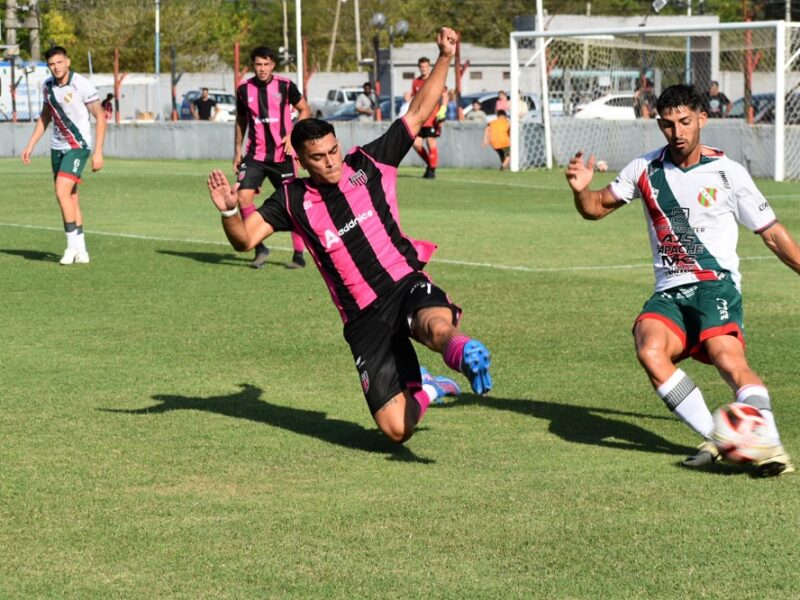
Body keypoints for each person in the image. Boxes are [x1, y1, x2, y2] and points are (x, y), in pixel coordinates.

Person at [207, 27, 492, 444]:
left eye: (333, 151)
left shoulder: (369, 163)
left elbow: (417, 112)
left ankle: (463, 351)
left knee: (434, 326)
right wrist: (232, 209)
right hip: (362, 317)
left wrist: (446, 57)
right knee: (397, 430)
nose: (330, 163)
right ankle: (428, 387)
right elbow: (245, 239)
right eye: (318, 158)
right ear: (301, 161)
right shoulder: (291, 198)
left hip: (404, 282)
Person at [565, 84, 799, 477]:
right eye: (669, 124)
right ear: (659, 124)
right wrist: (581, 190)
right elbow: (594, 209)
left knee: (727, 358)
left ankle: (770, 445)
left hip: (715, 285)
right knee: (649, 348)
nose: (678, 133)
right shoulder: (644, 169)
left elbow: (773, 233)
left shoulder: (728, 173)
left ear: (702, 120)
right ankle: (722, 437)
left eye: (685, 122)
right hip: (670, 291)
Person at [21, 45, 106, 265]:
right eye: (51, 64)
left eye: (59, 62)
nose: (56, 67)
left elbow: (100, 115)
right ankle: (82, 250)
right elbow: (45, 116)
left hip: (78, 146)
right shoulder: (47, 86)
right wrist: (31, 144)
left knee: (61, 191)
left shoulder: (81, 84)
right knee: (71, 197)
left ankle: (70, 247)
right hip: (57, 147)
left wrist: (98, 152)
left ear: (67, 62)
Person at [234, 46, 311, 269]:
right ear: (253, 66)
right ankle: (259, 246)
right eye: (258, 64)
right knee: (243, 198)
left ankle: (298, 255)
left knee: (292, 203)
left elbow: (305, 110)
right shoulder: (243, 90)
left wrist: (293, 135)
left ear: (273, 65)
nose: (262, 69)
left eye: (266, 64)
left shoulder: (285, 86)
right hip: (255, 155)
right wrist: (237, 150)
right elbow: (240, 120)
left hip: (282, 155)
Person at [411, 56, 442, 179]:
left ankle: (432, 171)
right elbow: (414, 99)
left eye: (426, 66)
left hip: (432, 118)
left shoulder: (434, 79)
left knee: (431, 143)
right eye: (421, 67)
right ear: (419, 68)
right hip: (419, 119)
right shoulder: (416, 82)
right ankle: (430, 165)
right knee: (416, 144)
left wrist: (442, 111)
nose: (423, 69)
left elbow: (444, 94)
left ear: (429, 67)